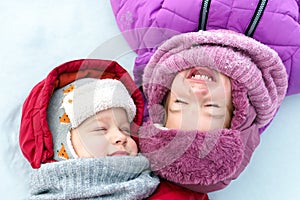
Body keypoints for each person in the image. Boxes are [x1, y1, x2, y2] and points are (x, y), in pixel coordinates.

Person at [138, 29, 288, 193]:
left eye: (180, 102)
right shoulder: (290, 50)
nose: (195, 91)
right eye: (211, 107)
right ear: (238, 108)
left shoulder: (156, 29)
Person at [19, 59, 159, 199]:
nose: (121, 137)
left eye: (125, 130)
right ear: (63, 148)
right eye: (101, 129)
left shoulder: (155, 187)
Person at [110, 0, 300, 96]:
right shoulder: (284, 64)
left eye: (181, 102)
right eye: (210, 107)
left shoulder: (153, 31)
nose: (201, 90)